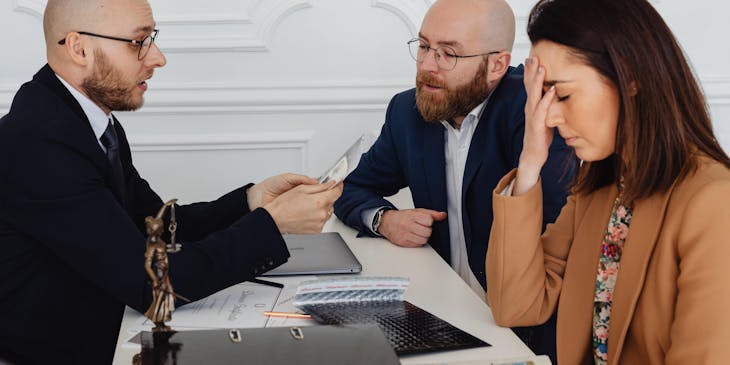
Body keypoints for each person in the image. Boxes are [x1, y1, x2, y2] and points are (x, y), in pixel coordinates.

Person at [0, 0, 342, 363]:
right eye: (139, 42)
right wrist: (274, 225)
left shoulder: (84, 120)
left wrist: (251, 202)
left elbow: (156, 227)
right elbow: (151, 285)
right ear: (79, 48)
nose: (158, 58)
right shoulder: (41, 142)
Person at [485, 0, 730, 364]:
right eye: (541, 96)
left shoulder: (713, 203)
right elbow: (517, 306)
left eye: (562, 94)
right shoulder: (599, 189)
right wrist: (530, 162)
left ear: (630, 77)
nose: (547, 116)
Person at [333, 0, 574, 359]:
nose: (427, 66)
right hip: (445, 310)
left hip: (528, 327)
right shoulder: (407, 111)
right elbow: (352, 189)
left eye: (448, 54)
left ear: (497, 64)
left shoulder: (533, 111)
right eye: (425, 47)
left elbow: (557, 230)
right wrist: (385, 220)